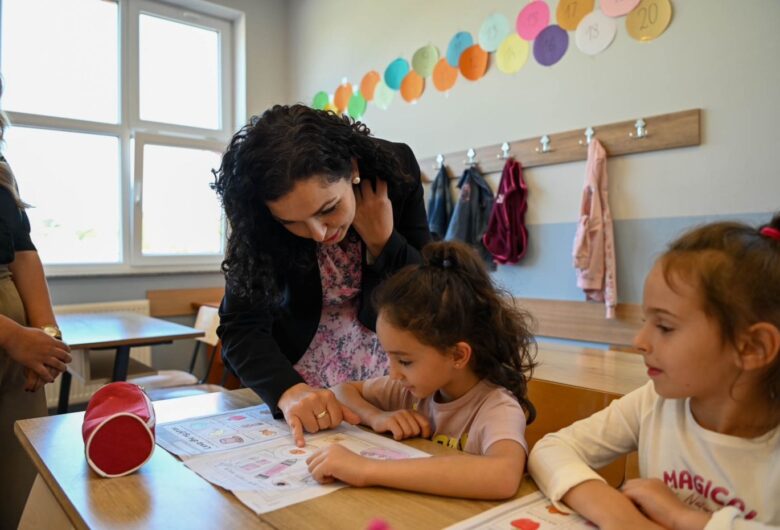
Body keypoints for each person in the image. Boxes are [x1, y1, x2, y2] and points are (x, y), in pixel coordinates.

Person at [528, 214, 780, 529]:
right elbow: (551, 449)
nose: (639, 341)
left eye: (665, 326)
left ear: (752, 347)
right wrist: (612, 510)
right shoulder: (654, 403)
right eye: (644, 321)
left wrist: (687, 518)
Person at [212, 104, 431, 446]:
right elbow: (241, 327)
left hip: (386, 374)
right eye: (291, 222)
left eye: (329, 209)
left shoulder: (396, 171)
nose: (318, 233)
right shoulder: (258, 212)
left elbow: (429, 293)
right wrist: (288, 391)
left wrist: (384, 242)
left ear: (352, 169)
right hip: (298, 376)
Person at [305, 241, 537, 499]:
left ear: (458, 355)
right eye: (389, 357)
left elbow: (503, 476)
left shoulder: (497, 407)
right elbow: (340, 391)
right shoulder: (410, 390)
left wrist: (366, 469)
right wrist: (376, 417)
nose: (394, 374)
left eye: (404, 361)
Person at [0, 77, 72, 530]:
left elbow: (23, 251)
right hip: (11, 339)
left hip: (19, 357)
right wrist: (10, 334)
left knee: (22, 494)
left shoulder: (1, 165)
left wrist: (45, 337)